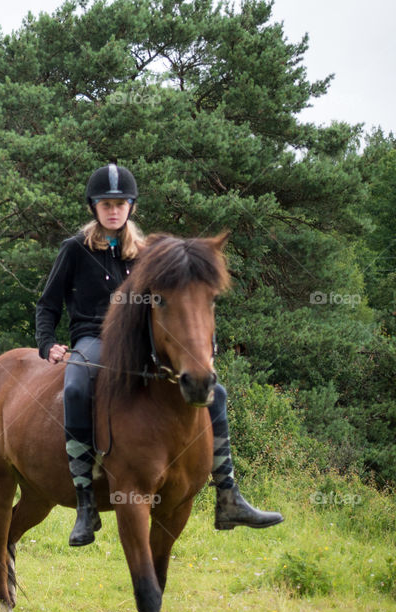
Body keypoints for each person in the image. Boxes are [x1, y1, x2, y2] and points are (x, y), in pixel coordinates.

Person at [35, 163, 283, 546]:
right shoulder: (74, 250)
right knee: (75, 387)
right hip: (92, 340)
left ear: (131, 206)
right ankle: (85, 500)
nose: (113, 210)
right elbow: (47, 305)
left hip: (141, 344)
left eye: (120, 203)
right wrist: (47, 341)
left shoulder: (149, 253)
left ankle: (228, 492)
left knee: (215, 391)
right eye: (105, 204)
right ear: (94, 208)